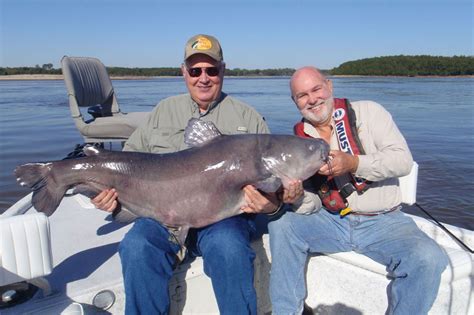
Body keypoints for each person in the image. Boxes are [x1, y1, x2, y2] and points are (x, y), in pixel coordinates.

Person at [92, 34, 285, 314]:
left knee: (229, 249)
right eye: (195, 71)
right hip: (163, 218)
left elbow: (274, 189)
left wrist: (272, 204)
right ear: (184, 72)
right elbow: (127, 162)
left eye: (211, 70)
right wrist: (108, 196)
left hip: (223, 220)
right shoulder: (163, 112)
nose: (203, 78)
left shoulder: (248, 118)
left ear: (223, 70)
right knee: (136, 246)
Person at [268, 66, 448, 315]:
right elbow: (312, 202)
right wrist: (296, 198)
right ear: (294, 101)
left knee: (429, 259)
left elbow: (402, 161)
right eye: (302, 95)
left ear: (329, 86)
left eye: (316, 89)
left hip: (386, 223)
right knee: (282, 224)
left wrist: (354, 163)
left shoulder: (369, 112)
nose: (312, 99)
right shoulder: (299, 140)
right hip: (332, 221)